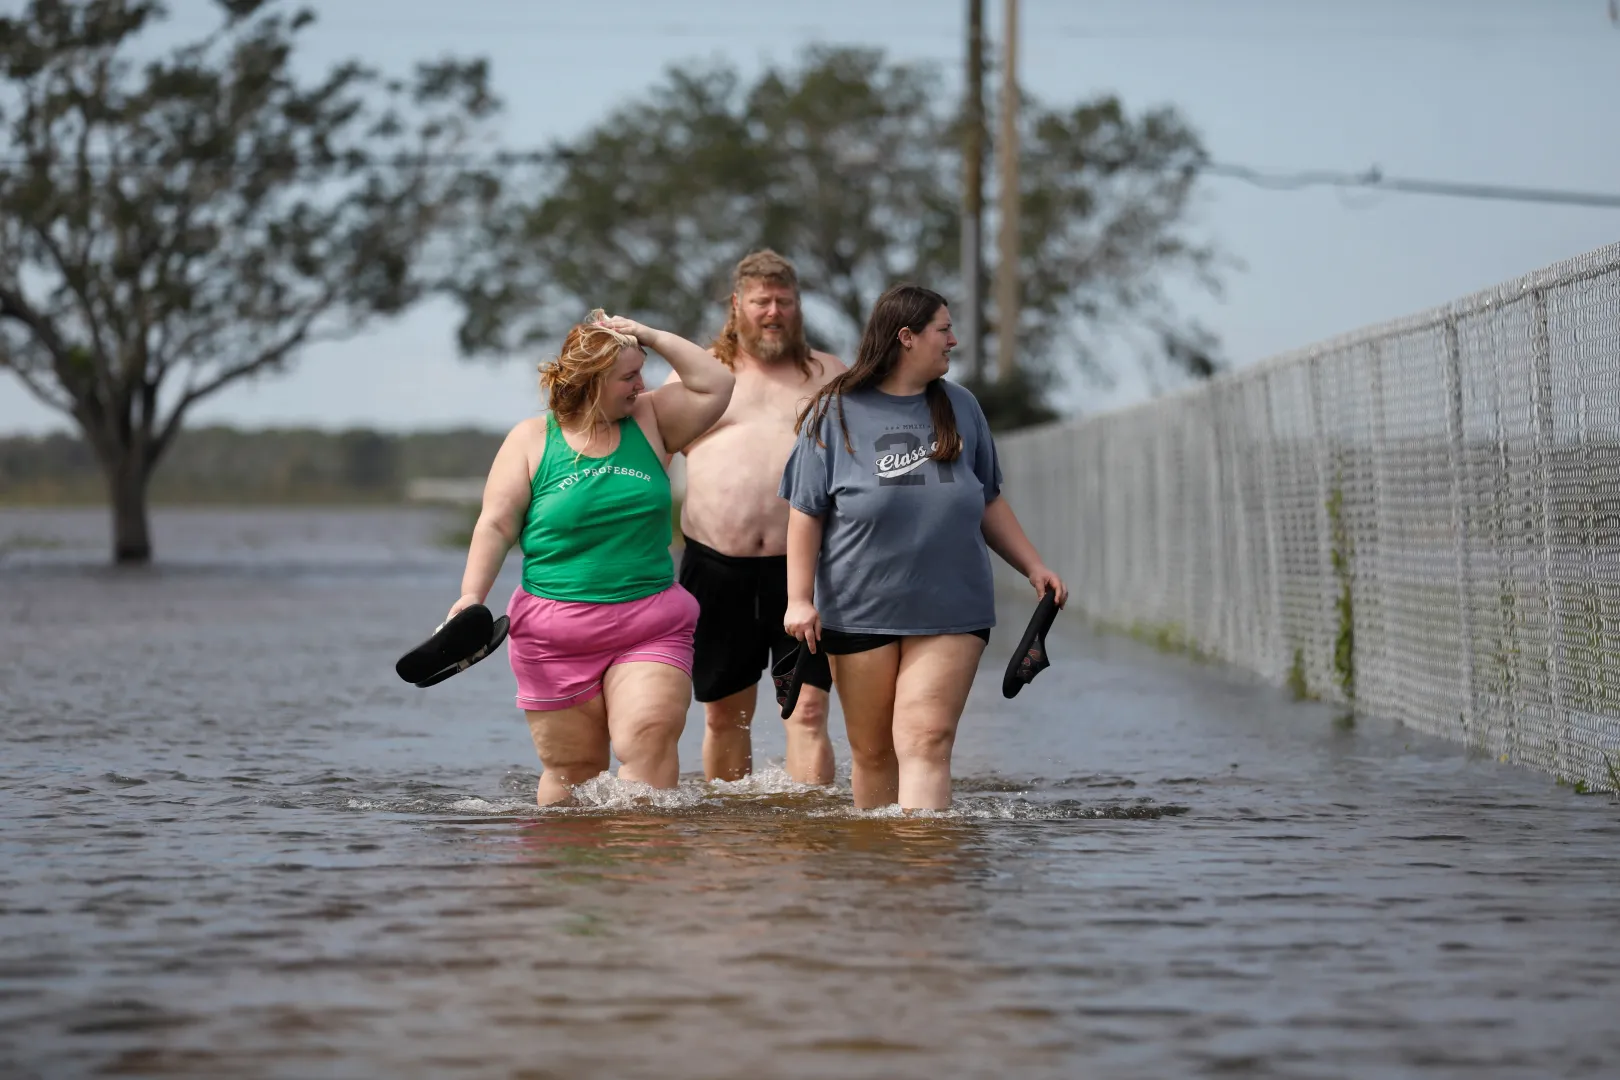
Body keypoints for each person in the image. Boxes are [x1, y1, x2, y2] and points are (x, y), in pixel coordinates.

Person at [779, 283, 1068, 811]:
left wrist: (1033, 565)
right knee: (872, 753)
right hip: (858, 609)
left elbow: (987, 499)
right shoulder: (835, 411)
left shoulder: (962, 406)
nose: (954, 340)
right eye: (944, 329)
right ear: (906, 337)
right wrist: (799, 599)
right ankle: (886, 881)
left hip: (951, 606)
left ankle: (925, 872)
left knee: (926, 741)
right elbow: (805, 511)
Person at [448, 310, 735, 806]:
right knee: (572, 773)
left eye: (640, 371)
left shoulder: (652, 419)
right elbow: (495, 525)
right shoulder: (532, 440)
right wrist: (470, 599)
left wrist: (646, 334)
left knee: (648, 738)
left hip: (651, 620)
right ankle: (573, 880)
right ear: (591, 381)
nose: (639, 385)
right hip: (553, 633)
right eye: (628, 376)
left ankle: (639, 871)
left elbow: (717, 383)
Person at [663, 251, 847, 784]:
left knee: (808, 712)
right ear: (737, 305)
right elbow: (648, 455)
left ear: (798, 307)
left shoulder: (831, 376)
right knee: (724, 716)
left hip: (806, 570)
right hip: (715, 569)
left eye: (784, 301)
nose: (773, 312)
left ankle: (809, 844)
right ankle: (730, 843)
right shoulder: (703, 376)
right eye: (761, 301)